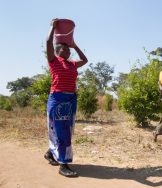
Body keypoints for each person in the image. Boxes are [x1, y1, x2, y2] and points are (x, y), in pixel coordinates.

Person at [43, 19, 88, 177]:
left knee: (65, 130)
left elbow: (85, 60)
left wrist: (74, 44)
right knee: (63, 132)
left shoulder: (72, 64)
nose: (69, 51)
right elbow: (48, 41)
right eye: (65, 49)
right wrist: (52, 27)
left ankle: (50, 153)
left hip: (70, 100)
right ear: (57, 50)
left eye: (69, 50)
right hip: (57, 99)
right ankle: (63, 164)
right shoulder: (53, 61)